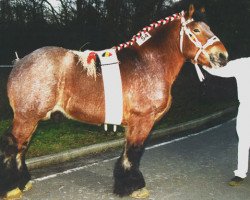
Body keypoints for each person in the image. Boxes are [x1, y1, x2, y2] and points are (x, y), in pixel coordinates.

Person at [203, 57, 250, 186]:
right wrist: (204, 62)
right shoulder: (244, 63)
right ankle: (240, 173)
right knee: (244, 141)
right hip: (247, 108)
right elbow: (221, 70)